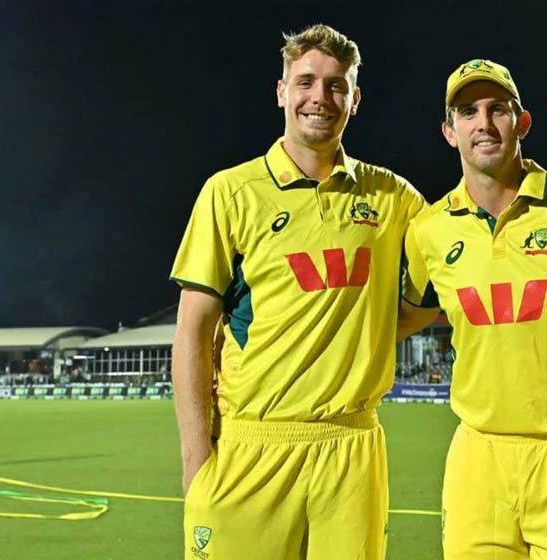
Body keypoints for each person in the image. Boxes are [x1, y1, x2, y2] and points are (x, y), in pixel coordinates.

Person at [168, 24, 438, 559]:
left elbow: (463, 249)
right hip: (252, 447)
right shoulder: (230, 192)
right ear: (281, 92)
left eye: (337, 85)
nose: (320, 97)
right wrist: (196, 461)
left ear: (355, 100)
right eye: (306, 82)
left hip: (352, 449)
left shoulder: (394, 198)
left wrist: (544, 188)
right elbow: (192, 333)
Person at [400, 59, 547, 559]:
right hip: (478, 459)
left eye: (497, 109)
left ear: (522, 123)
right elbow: (405, 316)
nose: (483, 123)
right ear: (449, 132)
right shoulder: (428, 231)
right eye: (467, 112)